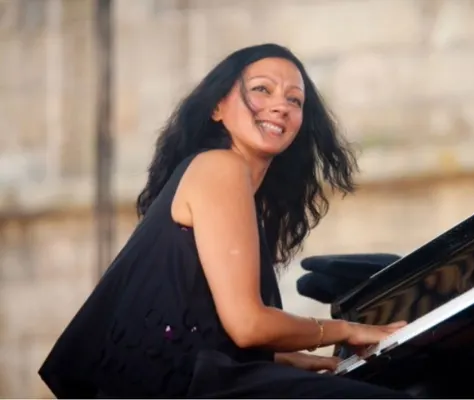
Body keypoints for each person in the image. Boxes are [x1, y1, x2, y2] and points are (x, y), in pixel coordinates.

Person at [38, 43, 411, 398]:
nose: (280, 106)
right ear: (218, 107)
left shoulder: (236, 190)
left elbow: (207, 332)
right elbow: (247, 325)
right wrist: (349, 330)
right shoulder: (221, 167)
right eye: (262, 89)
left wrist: (296, 359)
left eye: (294, 100)